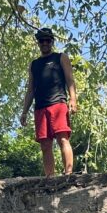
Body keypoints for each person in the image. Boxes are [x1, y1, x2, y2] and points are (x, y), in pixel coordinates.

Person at [19, 28, 77, 176]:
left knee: (62, 138)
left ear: (52, 42)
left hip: (58, 103)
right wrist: (24, 111)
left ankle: (68, 174)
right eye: (41, 40)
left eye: (48, 40)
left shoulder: (61, 57)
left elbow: (70, 80)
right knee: (45, 145)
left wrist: (73, 99)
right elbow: (30, 89)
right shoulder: (34, 64)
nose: (45, 43)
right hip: (40, 107)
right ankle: (50, 177)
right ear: (38, 43)